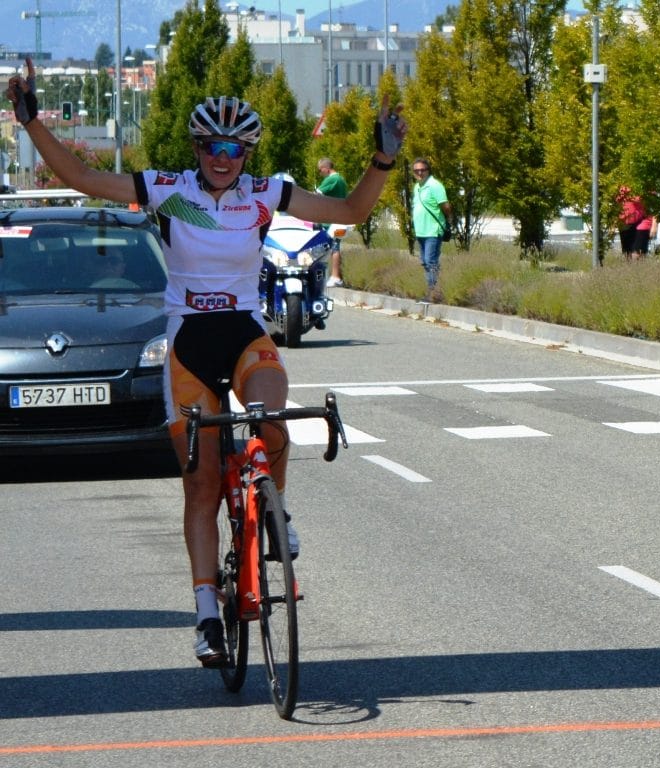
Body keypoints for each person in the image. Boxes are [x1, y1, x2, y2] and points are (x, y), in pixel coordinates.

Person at [6, 57, 408, 668]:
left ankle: (276, 511)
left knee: (273, 415)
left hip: (245, 332)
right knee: (201, 484)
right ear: (198, 147)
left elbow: (351, 212)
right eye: (212, 145)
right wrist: (30, 120)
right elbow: (84, 177)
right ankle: (204, 616)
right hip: (190, 342)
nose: (223, 156)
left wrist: (381, 161)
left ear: (247, 151)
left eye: (235, 146)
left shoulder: (267, 193)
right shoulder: (169, 191)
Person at [411, 157, 453, 300]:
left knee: (431, 261)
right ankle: (431, 290)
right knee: (424, 262)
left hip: (433, 231)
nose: (420, 173)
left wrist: (447, 219)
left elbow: (445, 206)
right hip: (421, 231)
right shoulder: (417, 187)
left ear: (428, 171)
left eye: (422, 170)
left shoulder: (435, 186)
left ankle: (433, 293)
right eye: (416, 170)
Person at [316, 157, 348, 287]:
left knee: (333, 247)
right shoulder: (341, 180)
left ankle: (335, 277)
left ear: (325, 168)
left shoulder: (332, 179)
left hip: (333, 222)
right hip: (340, 219)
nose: (320, 174)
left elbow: (316, 194)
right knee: (335, 247)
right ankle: (337, 276)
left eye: (320, 170)